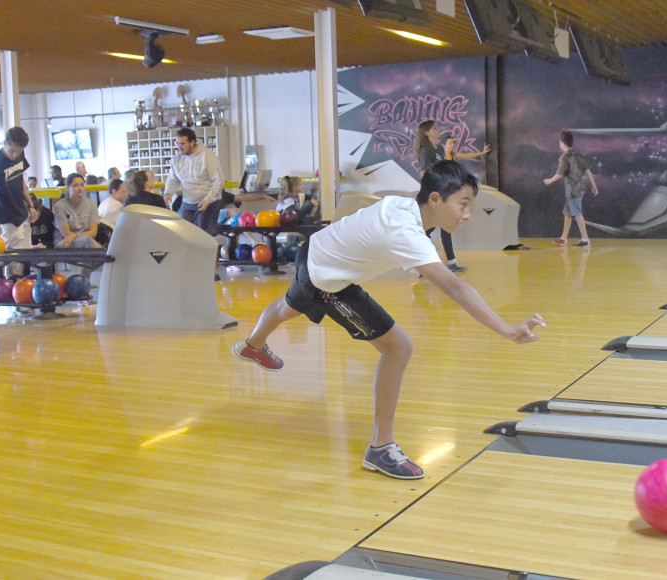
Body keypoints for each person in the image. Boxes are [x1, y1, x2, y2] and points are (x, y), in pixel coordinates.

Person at [232, 160, 545, 480]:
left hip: (313, 250)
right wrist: (507, 330)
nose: (467, 215)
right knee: (398, 348)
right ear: (435, 199)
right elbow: (455, 288)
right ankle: (380, 448)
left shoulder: (404, 206)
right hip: (328, 281)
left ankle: (252, 345)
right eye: (463, 205)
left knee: (288, 307)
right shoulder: (406, 231)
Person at [414, 120, 489, 273]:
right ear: (427, 132)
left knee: (445, 226)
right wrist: (430, 195)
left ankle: (449, 262)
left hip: (442, 193)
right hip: (434, 196)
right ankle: (421, 263)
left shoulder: (438, 149)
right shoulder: (426, 151)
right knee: (427, 230)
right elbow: (424, 174)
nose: (438, 129)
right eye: (434, 128)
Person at [0, 126, 39, 276]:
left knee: (24, 254)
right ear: (5, 143)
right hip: (7, 214)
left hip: (22, 210)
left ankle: (19, 283)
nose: (15, 155)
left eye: (18, 151)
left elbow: (21, 182)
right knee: (12, 256)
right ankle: (11, 282)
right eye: (12, 151)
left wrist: (31, 205)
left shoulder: (19, 154)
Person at [543, 130, 599, 247]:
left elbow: (560, 174)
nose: (559, 144)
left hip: (572, 191)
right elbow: (588, 171)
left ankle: (585, 239)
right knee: (567, 213)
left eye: (560, 142)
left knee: (577, 214)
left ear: (563, 143)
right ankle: (564, 238)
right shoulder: (578, 155)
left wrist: (550, 180)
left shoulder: (564, 157)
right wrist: (594, 186)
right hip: (580, 189)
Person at [164, 127, 224, 234]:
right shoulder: (177, 158)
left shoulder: (207, 156)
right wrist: (168, 193)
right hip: (188, 201)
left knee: (203, 234)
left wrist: (207, 200)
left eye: (182, 144)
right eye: (177, 143)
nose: (179, 147)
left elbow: (218, 182)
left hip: (208, 201)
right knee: (181, 231)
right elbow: (173, 179)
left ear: (192, 142)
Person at [54, 173, 102, 284]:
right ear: (68, 188)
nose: (79, 188)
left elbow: (93, 232)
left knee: (87, 248)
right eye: (75, 185)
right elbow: (67, 234)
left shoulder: (91, 204)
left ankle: (82, 283)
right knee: (87, 241)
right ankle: (104, 256)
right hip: (64, 242)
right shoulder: (60, 206)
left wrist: (75, 235)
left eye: (82, 185)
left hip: (86, 243)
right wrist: (76, 236)